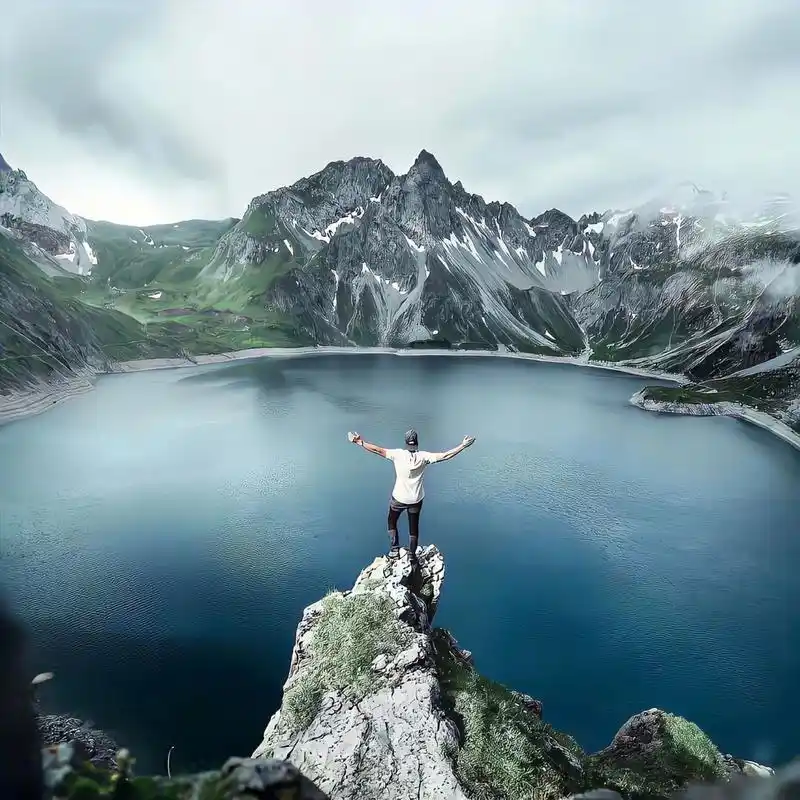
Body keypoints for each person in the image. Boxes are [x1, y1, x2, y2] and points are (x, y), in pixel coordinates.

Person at [349, 428, 476, 563]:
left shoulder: (397, 454)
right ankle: (412, 556)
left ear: (406, 442)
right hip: (416, 499)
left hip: (399, 498)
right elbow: (445, 456)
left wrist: (359, 442)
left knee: (391, 521)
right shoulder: (424, 456)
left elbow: (377, 450)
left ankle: (394, 550)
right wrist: (463, 445)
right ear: (416, 442)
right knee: (413, 527)